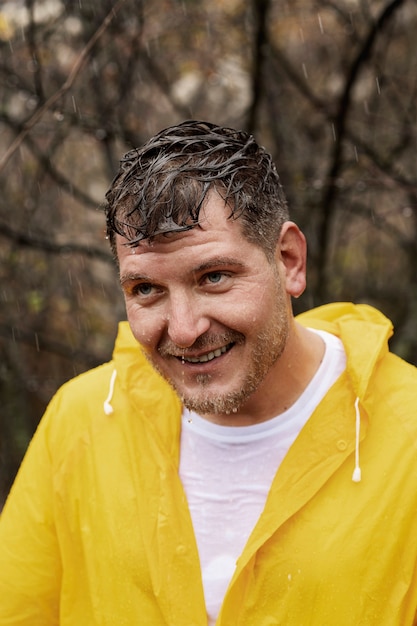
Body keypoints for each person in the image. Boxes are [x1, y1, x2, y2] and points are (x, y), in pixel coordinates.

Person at [1, 120, 417, 626]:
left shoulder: (407, 434)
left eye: (214, 277)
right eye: (146, 290)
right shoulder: (82, 419)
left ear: (288, 260)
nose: (184, 330)